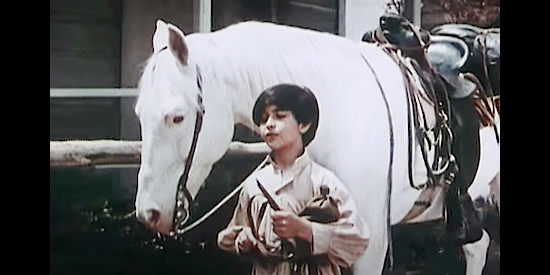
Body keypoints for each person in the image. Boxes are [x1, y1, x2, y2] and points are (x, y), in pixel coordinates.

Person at [217, 84, 369, 274]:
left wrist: (306, 230)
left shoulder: (323, 182)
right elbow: (234, 233)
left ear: (303, 124)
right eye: (264, 120)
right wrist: (243, 241)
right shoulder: (253, 185)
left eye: (279, 116)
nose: (269, 124)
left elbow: (357, 240)